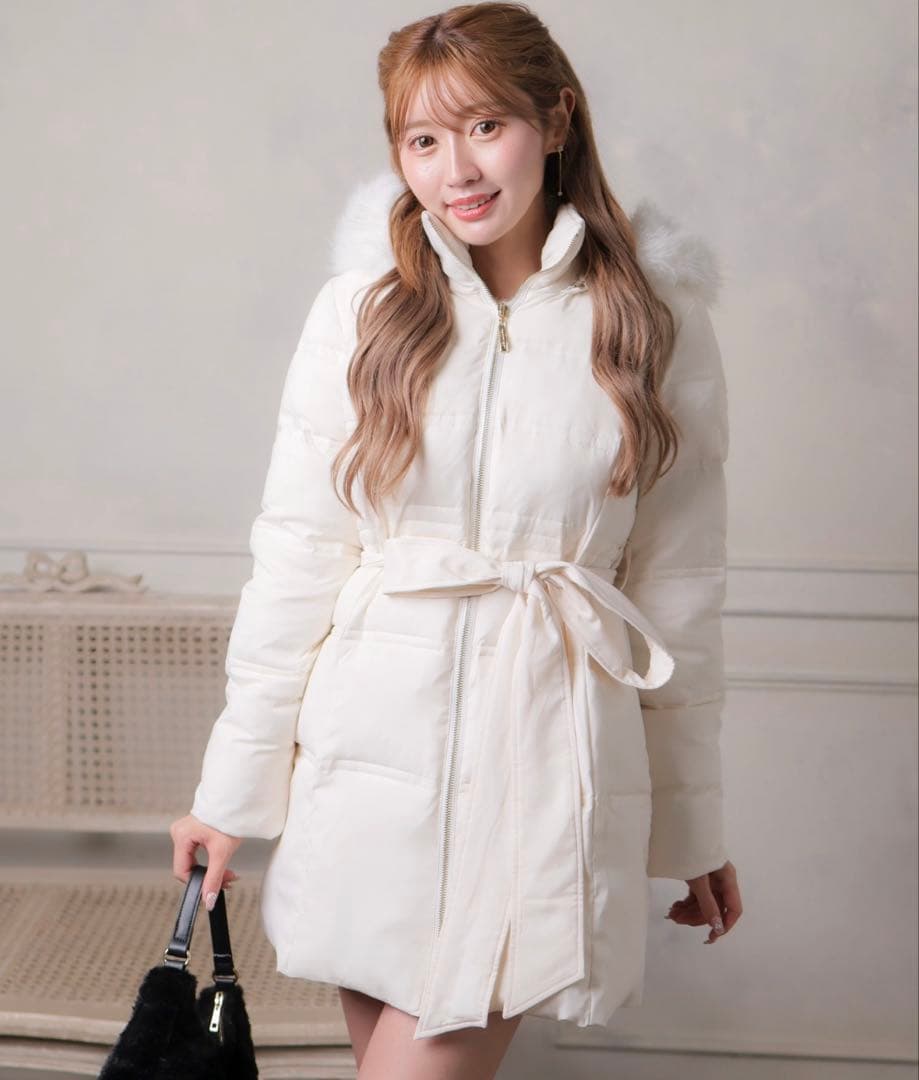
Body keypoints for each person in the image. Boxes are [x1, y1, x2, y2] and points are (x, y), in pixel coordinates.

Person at [169, 3, 744, 1077]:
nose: (457, 170)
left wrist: (690, 826)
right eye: (423, 139)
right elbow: (297, 559)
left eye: (486, 127)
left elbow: (677, 588)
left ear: (555, 121)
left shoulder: (653, 321)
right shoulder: (362, 311)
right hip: (368, 755)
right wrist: (227, 792)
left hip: (545, 751)